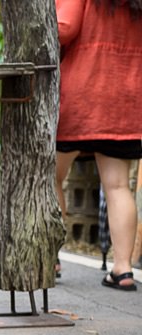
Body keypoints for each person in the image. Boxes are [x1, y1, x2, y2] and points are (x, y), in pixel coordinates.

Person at [55, 0, 142, 290]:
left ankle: (49, 256)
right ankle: (122, 269)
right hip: (126, 94)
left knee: (50, 176)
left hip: (83, 91)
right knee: (117, 185)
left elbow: (64, 28)